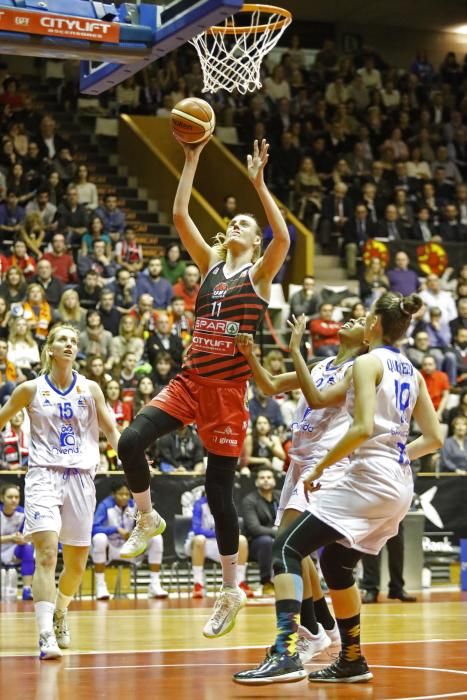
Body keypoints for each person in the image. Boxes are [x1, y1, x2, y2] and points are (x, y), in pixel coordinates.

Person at [116, 137, 290, 640]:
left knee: (219, 497)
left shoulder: (259, 275)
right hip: (190, 381)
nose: (236, 224)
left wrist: (258, 184)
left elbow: (283, 236)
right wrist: (190, 161)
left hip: (228, 395)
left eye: (245, 225)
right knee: (130, 442)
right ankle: (147, 519)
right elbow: (178, 215)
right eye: (234, 221)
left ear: (254, 242)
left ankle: (231, 589)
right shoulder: (210, 267)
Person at [233, 293, 443, 684]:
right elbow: (432, 438)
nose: (359, 319)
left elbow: (362, 428)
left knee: (286, 547)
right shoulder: (412, 372)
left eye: (365, 315)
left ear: (375, 326)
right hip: (398, 483)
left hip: (363, 475)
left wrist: (323, 468)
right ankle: (351, 657)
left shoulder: (366, 362)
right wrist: (398, 455)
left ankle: (286, 652)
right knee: (336, 564)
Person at [236, 313, 369, 663]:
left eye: (359, 319)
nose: (351, 318)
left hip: (324, 463)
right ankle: (322, 626)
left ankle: (309, 632)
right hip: (298, 462)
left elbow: (319, 397)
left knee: (288, 545)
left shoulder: (359, 370)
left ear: (367, 338)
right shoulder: (324, 363)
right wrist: (250, 355)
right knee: (296, 550)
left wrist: (295, 350)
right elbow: (269, 386)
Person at [0, 323, 120, 659]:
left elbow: (112, 431)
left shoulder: (91, 389)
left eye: (74, 340)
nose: (70, 344)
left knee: (78, 565)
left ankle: (61, 610)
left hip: (82, 478)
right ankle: (44, 636)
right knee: (47, 554)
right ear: (50, 349)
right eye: (63, 339)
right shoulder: (30, 389)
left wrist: (135, 460)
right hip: (43, 475)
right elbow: (3, 418)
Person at [91, 480, 168, 600]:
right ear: (113, 494)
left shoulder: (135, 505)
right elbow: (94, 528)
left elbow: (146, 525)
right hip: (111, 549)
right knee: (99, 538)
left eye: (127, 494)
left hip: (131, 547)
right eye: (121, 494)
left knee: (157, 538)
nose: (124, 497)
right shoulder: (105, 506)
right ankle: (100, 586)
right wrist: (115, 529)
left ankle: (155, 584)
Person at [185, 491, 253, 599]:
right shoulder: (199, 504)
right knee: (199, 539)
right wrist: (220, 533)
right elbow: (197, 529)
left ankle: (240, 582)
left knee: (242, 540)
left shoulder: (227, 504)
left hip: (219, 541)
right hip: (200, 543)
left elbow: (233, 528)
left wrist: (225, 533)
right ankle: (198, 584)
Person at [241, 468, 280, 595]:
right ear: (256, 482)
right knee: (266, 541)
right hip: (256, 544)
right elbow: (254, 528)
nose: (266, 480)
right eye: (262, 478)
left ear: (274, 480)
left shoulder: (281, 497)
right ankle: (267, 582)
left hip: (280, 537)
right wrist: (276, 532)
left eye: (269, 477)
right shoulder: (249, 501)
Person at [360, 523, 418, 603]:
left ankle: (397, 588)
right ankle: (371, 589)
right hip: (372, 514)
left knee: (397, 550)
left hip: (395, 514)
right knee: (370, 551)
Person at [0, 483, 35, 600]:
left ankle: (27, 590)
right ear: (2, 498)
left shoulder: (23, 514)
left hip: (13, 550)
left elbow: (30, 536)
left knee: (28, 548)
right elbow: (10, 538)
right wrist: (10, 538)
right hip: (3, 546)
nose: (14, 500)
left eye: (17, 497)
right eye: (10, 497)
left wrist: (23, 539)